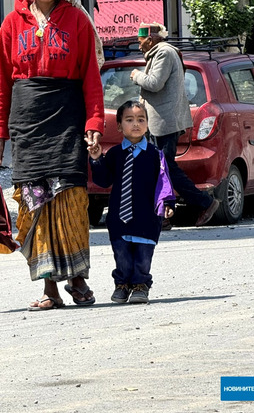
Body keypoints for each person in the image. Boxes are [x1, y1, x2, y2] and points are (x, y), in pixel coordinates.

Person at [0, 0, 106, 311]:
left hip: (67, 118)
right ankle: (49, 288)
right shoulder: (11, 23)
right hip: (27, 123)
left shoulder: (78, 21)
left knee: (70, 198)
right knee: (34, 203)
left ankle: (77, 278)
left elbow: (91, 77)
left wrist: (94, 124)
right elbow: (3, 83)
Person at [129, 22, 220, 227]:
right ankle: (164, 215)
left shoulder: (163, 53)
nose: (139, 45)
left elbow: (154, 83)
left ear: (150, 39)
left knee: (163, 167)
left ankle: (202, 202)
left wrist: (136, 76)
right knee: (161, 168)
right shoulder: (162, 52)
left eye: (141, 40)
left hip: (164, 122)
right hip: (161, 121)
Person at [87, 100, 175, 304]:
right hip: (119, 217)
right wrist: (97, 159)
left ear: (147, 123)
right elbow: (103, 180)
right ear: (119, 126)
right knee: (122, 255)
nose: (136, 124)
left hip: (147, 217)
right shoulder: (115, 154)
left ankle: (140, 285)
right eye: (129, 120)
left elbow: (165, 183)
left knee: (143, 256)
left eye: (141, 119)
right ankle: (122, 284)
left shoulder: (155, 155)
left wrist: (168, 203)